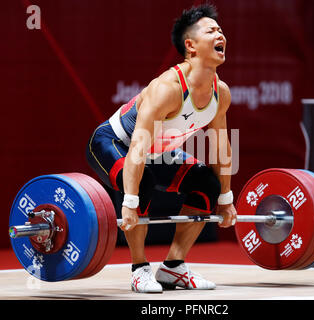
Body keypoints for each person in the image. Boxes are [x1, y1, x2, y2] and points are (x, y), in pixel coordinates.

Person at [86, 4, 236, 293]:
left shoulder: (222, 93)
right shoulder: (167, 88)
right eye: (211, 30)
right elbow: (138, 146)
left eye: (220, 29)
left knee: (207, 183)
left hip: (158, 153)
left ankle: (173, 267)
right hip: (114, 143)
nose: (220, 34)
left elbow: (220, 147)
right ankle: (139, 269)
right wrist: (129, 203)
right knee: (143, 183)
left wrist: (226, 197)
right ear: (190, 46)